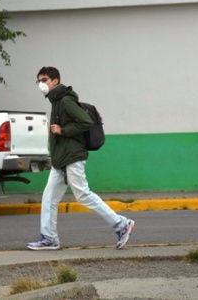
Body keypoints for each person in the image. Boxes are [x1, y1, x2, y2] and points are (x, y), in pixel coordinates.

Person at [27, 66, 135, 251]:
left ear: (55, 81)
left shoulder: (66, 101)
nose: (41, 84)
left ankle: (121, 224)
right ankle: (49, 238)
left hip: (72, 156)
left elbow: (86, 122)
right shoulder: (56, 101)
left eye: (44, 80)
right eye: (38, 81)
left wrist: (64, 130)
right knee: (49, 198)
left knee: (83, 195)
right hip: (61, 159)